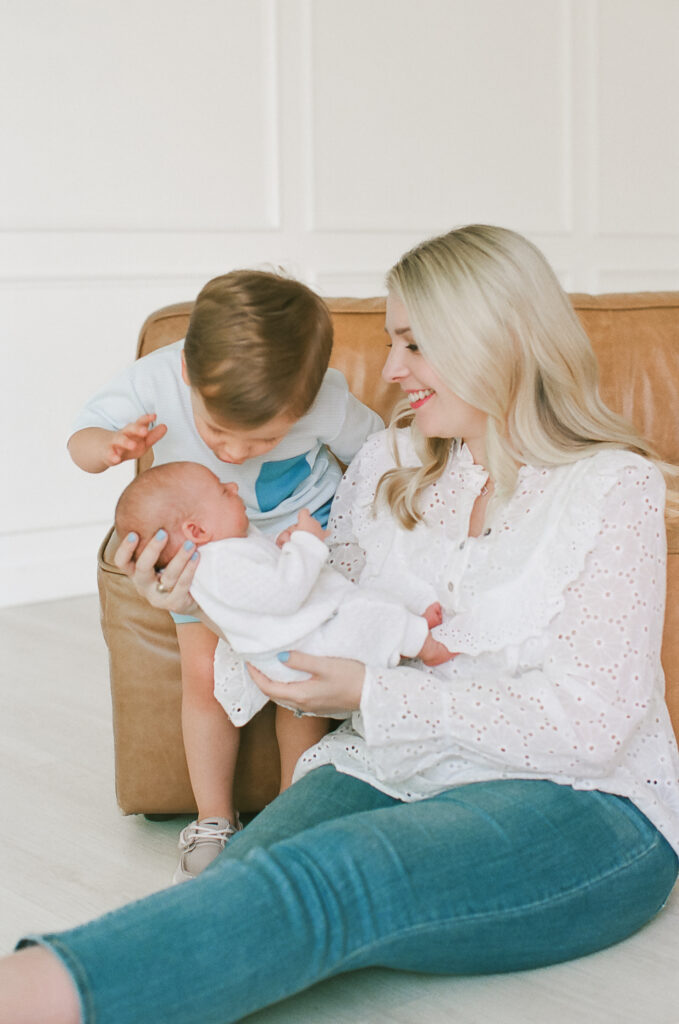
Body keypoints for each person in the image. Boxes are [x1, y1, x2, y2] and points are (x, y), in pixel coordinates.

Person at [3, 224, 679, 1024]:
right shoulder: (385, 464)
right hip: (387, 766)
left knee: (331, 878)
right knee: (241, 888)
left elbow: (591, 727)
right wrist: (208, 590)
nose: (389, 371)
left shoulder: (611, 488)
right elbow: (308, 614)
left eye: (412, 344)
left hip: (582, 806)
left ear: (497, 340)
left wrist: (373, 691)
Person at [67, 269, 383, 879]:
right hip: (206, 553)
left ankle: (297, 813)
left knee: (301, 686)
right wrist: (108, 447)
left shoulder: (323, 397)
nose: (236, 455)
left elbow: (381, 451)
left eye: (264, 439)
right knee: (205, 678)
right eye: (217, 434)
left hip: (302, 545)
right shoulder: (159, 377)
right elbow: (79, 440)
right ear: (189, 372)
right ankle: (213, 818)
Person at [115, 460, 452, 733]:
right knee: (368, 612)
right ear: (197, 531)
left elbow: (259, 587)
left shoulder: (221, 554)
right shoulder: (219, 564)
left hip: (297, 646)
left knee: (368, 609)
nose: (234, 487)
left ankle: (408, 637)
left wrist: (284, 548)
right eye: (223, 491)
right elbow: (284, 593)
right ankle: (426, 644)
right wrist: (305, 543)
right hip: (307, 647)